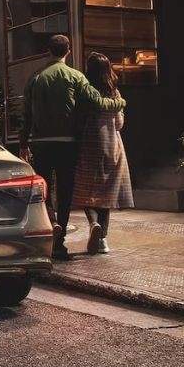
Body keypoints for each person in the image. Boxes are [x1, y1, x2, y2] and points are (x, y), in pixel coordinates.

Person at [19, 35, 126, 261]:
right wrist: (120, 103)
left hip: (40, 143)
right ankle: (59, 244)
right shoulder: (76, 76)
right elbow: (98, 102)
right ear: (68, 51)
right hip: (67, 142)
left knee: (45, 188)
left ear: (48, 51)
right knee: (65, 191)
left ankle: (53, 222)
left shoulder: (35, 78)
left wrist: (23, 143)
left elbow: (26, 115)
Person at [76, 52, 134, 254]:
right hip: (112, 145)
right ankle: (103, 241)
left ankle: (93, 224)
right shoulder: (114, 92)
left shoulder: (84, 91)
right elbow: (119, 123)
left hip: (88, 145)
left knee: (86, 192)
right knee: (106, 193)